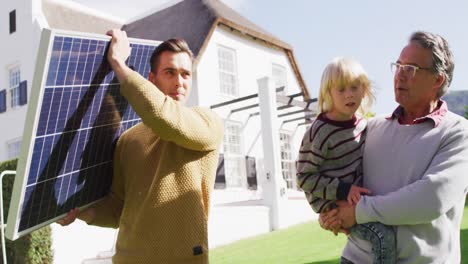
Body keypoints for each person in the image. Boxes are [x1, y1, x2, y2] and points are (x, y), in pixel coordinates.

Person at [58, 29, 224, 264]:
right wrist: (82, 213)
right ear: (152, 79)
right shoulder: (128, 140)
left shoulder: (208, 124)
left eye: (186, 74)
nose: (179, 82)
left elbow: (165, 118)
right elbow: (117, 208)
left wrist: (118, 64)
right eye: (170, 72)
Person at [319, 31, 468, 264]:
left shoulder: (458, 132)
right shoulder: (373, 127)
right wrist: (330, 212)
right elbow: (337, 172)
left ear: (437, 80)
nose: (400, 75)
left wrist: (357, 212)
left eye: (411, 68)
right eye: (398, 66)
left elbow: (431, 199)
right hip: (356, 258)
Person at [296, 57, 395, 264]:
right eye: (341, 89)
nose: (349, 94)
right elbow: (304, 177)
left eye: (354, 87)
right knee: (381, 236)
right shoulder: (320, 131)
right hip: (334, 204)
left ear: (364, 89)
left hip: (359, 200)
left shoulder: (362, 124)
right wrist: (341, 193)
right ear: (328, 94)